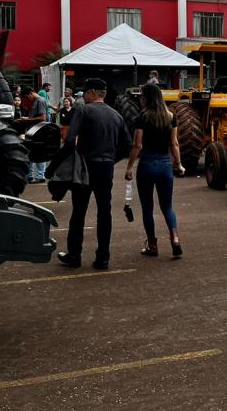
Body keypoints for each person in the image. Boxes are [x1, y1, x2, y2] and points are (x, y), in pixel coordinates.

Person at [58, 78, 130, 270]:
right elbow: (127, 145)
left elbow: (70, 139)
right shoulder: (116, 115)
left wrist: (59, 164)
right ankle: (103, 258)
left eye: (85, 93)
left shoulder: (83, 110)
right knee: (104, 213)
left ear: (91, 92)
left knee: (78, 212)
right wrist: (111, 160)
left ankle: (74, 256)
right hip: (106, 168)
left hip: (84, 168)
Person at [124, 84, 184, 258]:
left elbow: (137, 145)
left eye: (142, 96)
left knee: (147, 208)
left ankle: (152, 245)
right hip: (165, 165)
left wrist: (129, 168)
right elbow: (174, 144)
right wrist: (178, 164)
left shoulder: (142, 118)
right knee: (167, 207)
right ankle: (175, 238)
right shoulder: (171, 117)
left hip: (147, 165)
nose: (140, 99)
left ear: (147, 98)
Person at [20, 88, 49, 183]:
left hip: (39, 131)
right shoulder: (36, 101)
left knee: (39, 153)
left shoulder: (40, 101)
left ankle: (40, 176)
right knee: (32, 153)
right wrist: (28, 118)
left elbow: (42, 117)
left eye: (27, 97)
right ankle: (31, 175)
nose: (28, 99)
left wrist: (26, 120)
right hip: (34, 131)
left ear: (31, 93)